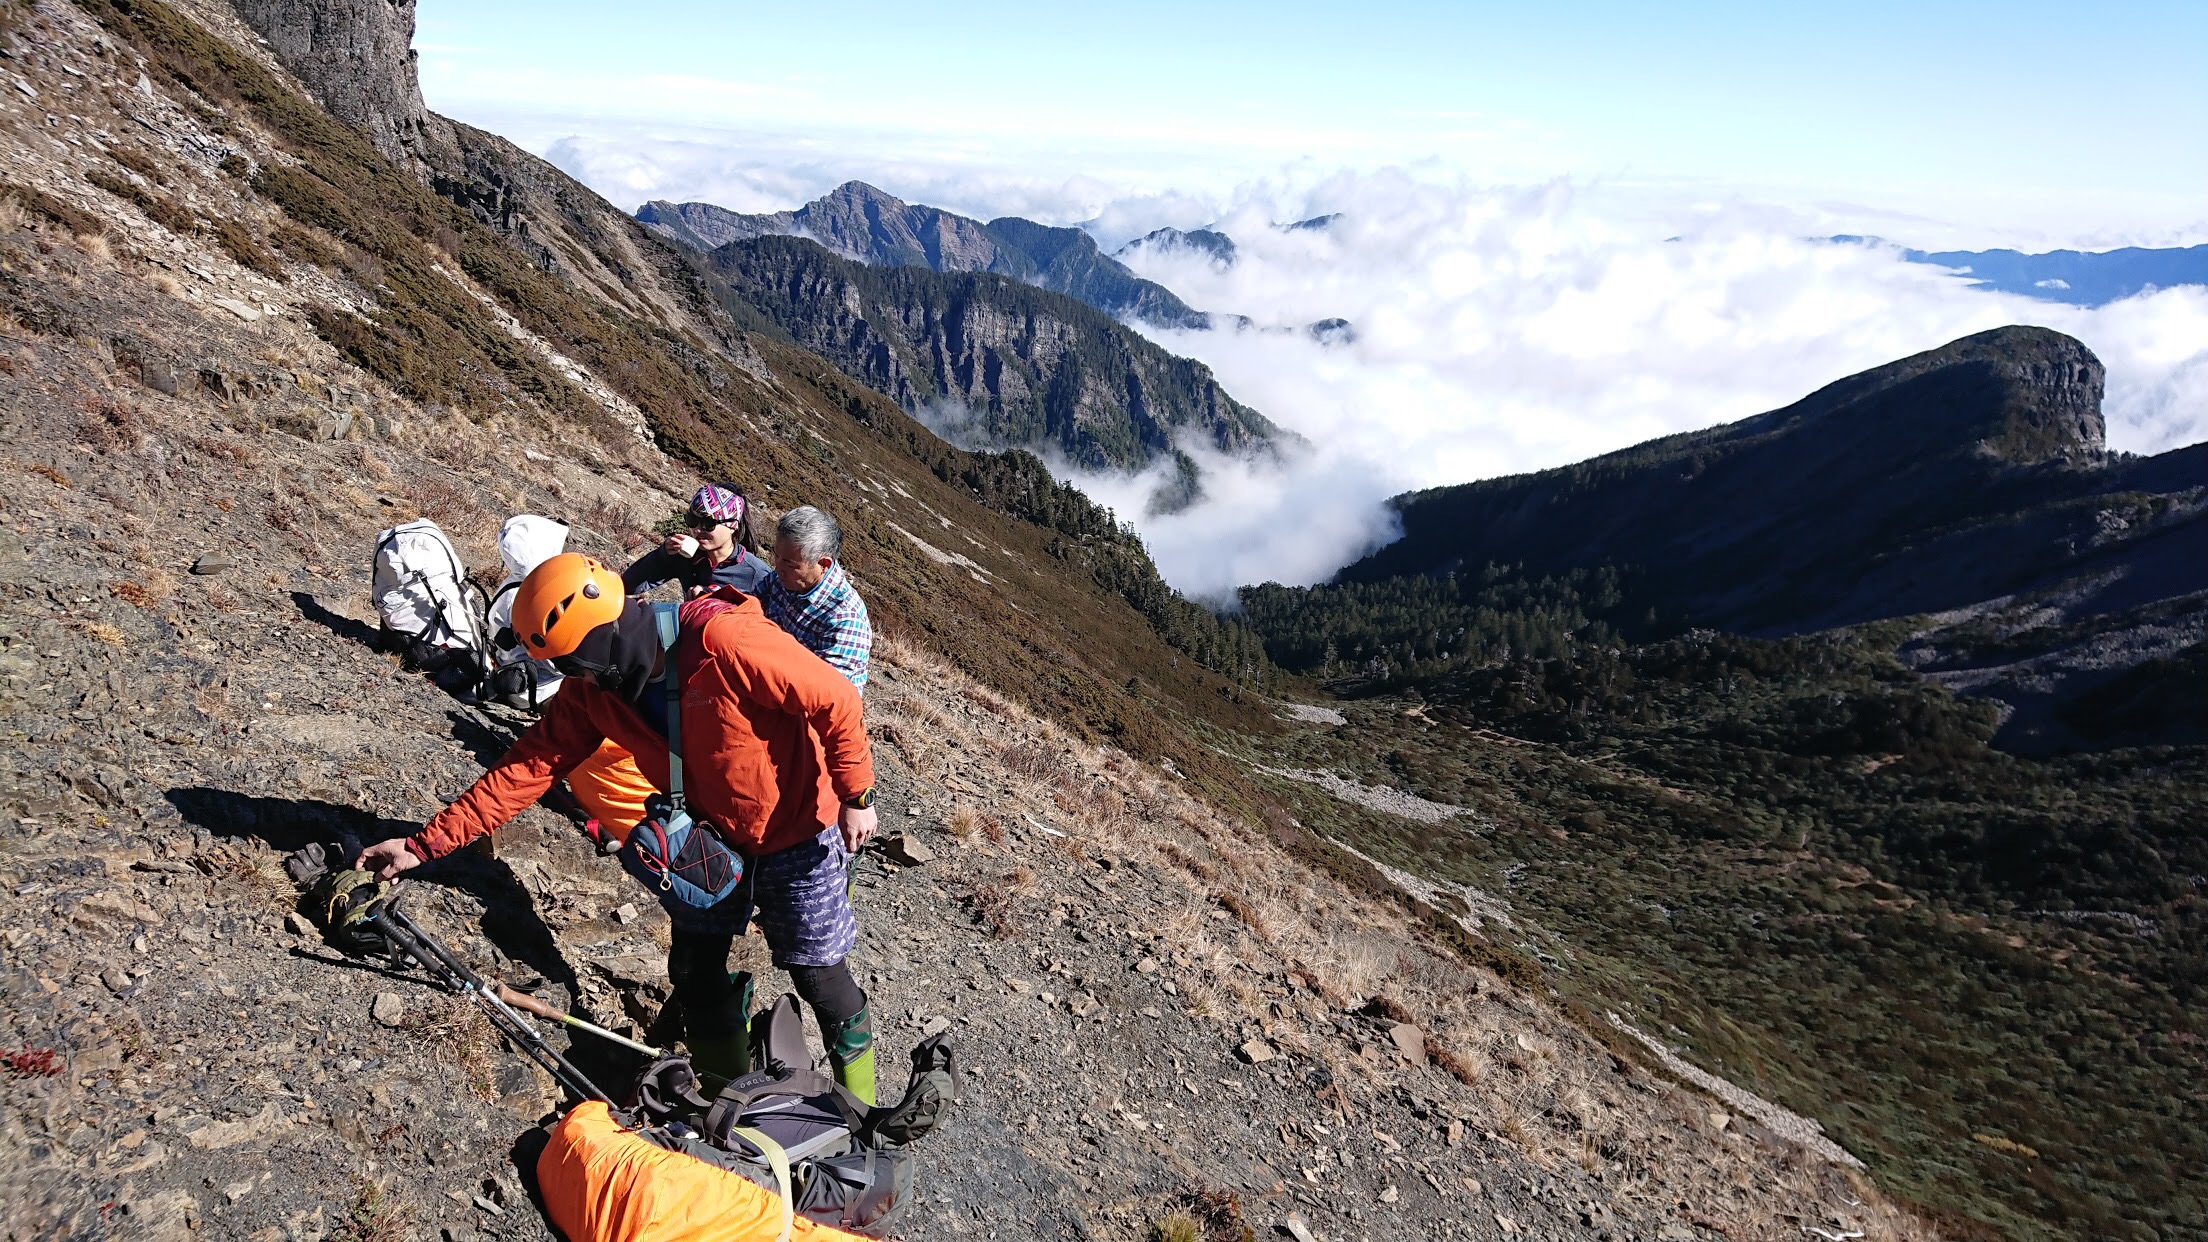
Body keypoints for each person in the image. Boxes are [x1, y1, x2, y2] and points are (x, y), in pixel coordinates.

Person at [357, 553, 884, 1102]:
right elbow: (527, 768)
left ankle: (862, 1114)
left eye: (575, 662)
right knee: (696, 972)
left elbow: (835, 698)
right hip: (710, 841)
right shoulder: (594, 694)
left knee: (818, 975)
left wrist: (857, 795)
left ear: (604, 633)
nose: (574, 677)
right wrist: (423, 845)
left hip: (800, 828)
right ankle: (729, 1107)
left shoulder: (724, 640)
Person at [760, 505, 873, 692]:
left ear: (823, 564)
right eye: (776, 555)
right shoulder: (786, 577)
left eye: (789, 563)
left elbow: (822, 694)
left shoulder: (845, 620)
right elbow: (749, 604)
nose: (777, 566)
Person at [623, 483, 772, 597]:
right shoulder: (686, 558)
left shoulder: (757, 574)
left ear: (733, 526)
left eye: (708, 523)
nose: (697, 530)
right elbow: (628, 585)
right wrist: (663, 555)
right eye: (692, 520)